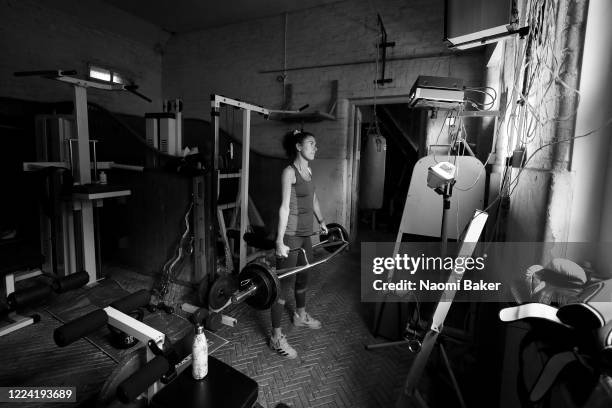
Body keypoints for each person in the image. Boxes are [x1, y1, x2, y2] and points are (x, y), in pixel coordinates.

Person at [269, 130, 328, 359]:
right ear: (298, 146)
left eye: (315, 144)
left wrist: (321, 221)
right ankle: (275, 337)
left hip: (306, 235)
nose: (315, 148)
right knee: (283, 286)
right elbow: (283, 208)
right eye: (311, 144)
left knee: (304, 276)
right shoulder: (289, 172)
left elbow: (313, 198)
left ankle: (300, 315)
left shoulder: (309, 170)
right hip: (291, 236)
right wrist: (279, 241)